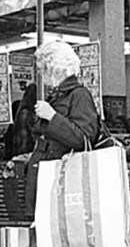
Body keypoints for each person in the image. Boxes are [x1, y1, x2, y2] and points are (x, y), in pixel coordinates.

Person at [23, 40, 101, 215]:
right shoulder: (59, 96)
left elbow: (83, 138)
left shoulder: (79, 95)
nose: (43, 74)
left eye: (44, 69)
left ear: (54, 68)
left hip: (62, 181)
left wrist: (52, 116)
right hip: (51, 178)